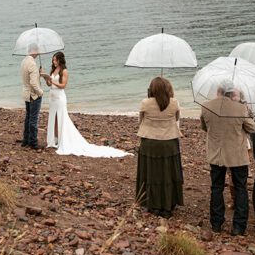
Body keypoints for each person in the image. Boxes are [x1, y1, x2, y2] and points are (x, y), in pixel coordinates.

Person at [41, 52, 127, 158]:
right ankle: (54, 140)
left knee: (61, 118)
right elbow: (49, 84)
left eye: (55, 60)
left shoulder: (64, 71)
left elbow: (63, 85)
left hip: (59, 97)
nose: (53, 62)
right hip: (52, 97)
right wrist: (46, 78)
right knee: (53, 119)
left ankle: (62, 139)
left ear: (60, 60)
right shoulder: (53, 70)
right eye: (53, 60)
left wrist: (52, 82)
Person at [200, 82, 255, 236]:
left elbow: (205, 127)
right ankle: (239, 226)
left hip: (216, 153)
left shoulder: (206, 106)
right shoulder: (240, 108)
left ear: (219, 91)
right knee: (240, 188)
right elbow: (252, 128)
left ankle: (216, 223)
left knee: (216, 188)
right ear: (231, 93)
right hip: (237, 155)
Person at [135, 76, 183, 217]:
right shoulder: (174, 103)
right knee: (168, 173)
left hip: (150, 142)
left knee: (151, 173)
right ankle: (168, 204)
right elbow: (177, 119)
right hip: (169, 141)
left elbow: (140, 120)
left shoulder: (145, 103)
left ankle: (152, 204)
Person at [20, 44, 44, 149]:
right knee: (33, 119)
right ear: (33, 51)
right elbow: (34, 83)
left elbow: (28, 77)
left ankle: (26, 140)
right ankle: (33, 142)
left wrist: (38, 74)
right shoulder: (32, 64)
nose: (38, 53)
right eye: (37, 50)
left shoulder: (24, 61)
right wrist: (40, 92)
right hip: (33, 95)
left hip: (26, 93)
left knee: (28, 117)